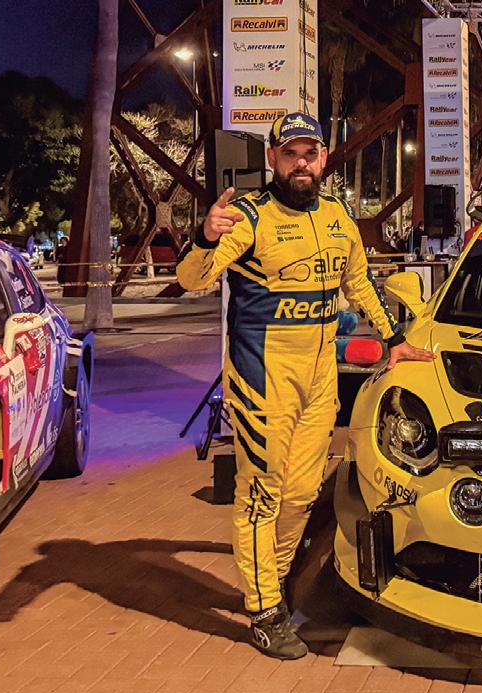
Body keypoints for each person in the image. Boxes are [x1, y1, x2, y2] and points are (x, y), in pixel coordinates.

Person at [177, 112, 435, 659]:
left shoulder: (338, 216)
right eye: (290, 154)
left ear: (323, 159)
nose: (301, 164)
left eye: (309, 154)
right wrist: (204, 236)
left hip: (319, 380)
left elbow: (359, 283)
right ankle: (264, 609)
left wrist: (393, 340)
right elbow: (192, 279)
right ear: (273, 158)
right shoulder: (248, 217)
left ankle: (273, 582)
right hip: (262, 376)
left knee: (300, 494)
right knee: (262, 491)